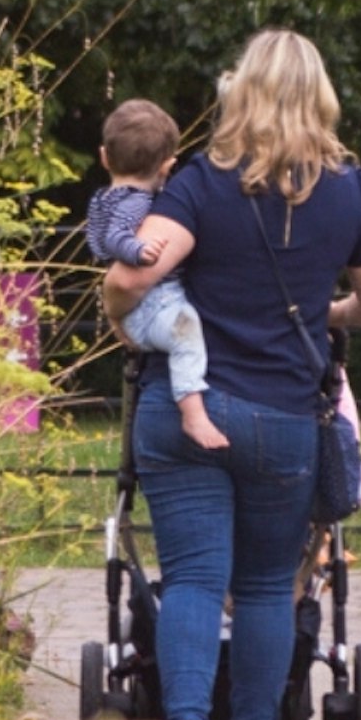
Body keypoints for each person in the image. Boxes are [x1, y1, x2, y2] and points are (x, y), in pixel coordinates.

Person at [101, 30, 361, 720]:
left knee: (195, 578)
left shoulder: (200, 181)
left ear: (239, 92)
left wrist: (121, 315)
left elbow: (133, 271)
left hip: (185, 411)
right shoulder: (347, 188)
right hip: (283, 418)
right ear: (321, 96)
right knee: (268, 585)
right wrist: (328, 311)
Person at [84, 98, 225, 454]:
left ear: (104, 157)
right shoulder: (136, 201)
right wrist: (137, 251)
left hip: (139, 308)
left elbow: (97, 239)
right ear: (168, 166)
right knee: (186, 331)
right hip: (157, 300)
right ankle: (192, 412)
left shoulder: (104, 197)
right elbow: (116, 238)